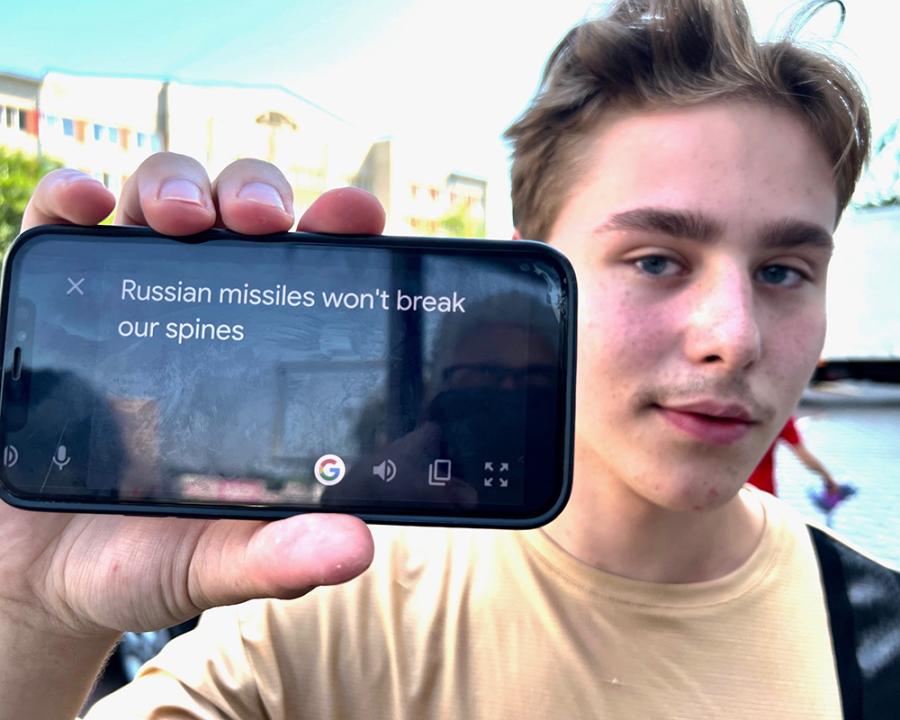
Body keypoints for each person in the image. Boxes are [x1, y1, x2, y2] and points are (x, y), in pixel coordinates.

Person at [1, 1, 898, 718]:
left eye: (785, 270)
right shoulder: (321, 603)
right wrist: (29, 615)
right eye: (656, 259)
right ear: (525, 272)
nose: (732, 336)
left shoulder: (878, 639)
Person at [748, 415, 838, 495]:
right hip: (761, 493)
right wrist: (828, 478)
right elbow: (805, 457)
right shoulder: (780, 416)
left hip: (739, 490)